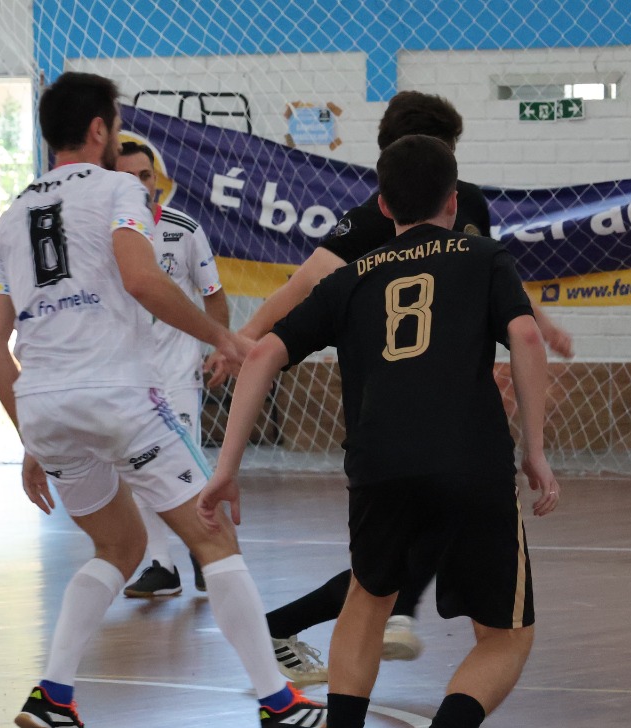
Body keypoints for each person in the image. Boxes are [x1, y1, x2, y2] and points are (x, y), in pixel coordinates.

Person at [200, 133, 559, 728]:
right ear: (454, 202)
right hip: (471, 460)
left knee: (368, 601)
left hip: (379, 465)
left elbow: (263, 354)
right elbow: (527, 337)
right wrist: (535, 451)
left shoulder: (351, 277)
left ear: (383, 205)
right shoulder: (483, 257)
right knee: (506, 633)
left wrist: (225, 469)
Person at [0, 72, 326, 728]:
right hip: (117, 395)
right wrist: (221, 336)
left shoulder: (6, 220)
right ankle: (277, 703)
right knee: (214, 536)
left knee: (119, 546)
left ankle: (54, 696)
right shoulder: (119, 189)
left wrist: (33, 437)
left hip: (43, 404)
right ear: (100, 130)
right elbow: (141, 278)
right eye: (114, 125)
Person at [239, 92, 574, 683]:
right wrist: (242, 339)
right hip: (394, 413)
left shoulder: (467, 205)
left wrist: (536, 327)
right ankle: (351, 624)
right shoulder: (374, 221)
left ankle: (297, 628)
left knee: (417, 549)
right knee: (414, 551)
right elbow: (301, 287)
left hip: (445, 413)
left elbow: (495, 280)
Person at [114, 138, 229, 598]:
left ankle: (206, 550)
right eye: (126, 177)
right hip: (127, 376)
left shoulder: (183, 229)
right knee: (137, 467)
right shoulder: (102, 235)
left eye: (144, 176)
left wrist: (220, 348)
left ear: (156, 182)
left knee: (183, 463)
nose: (138, 185)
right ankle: (162, 565)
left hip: (178, 373)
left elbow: (213, 295)